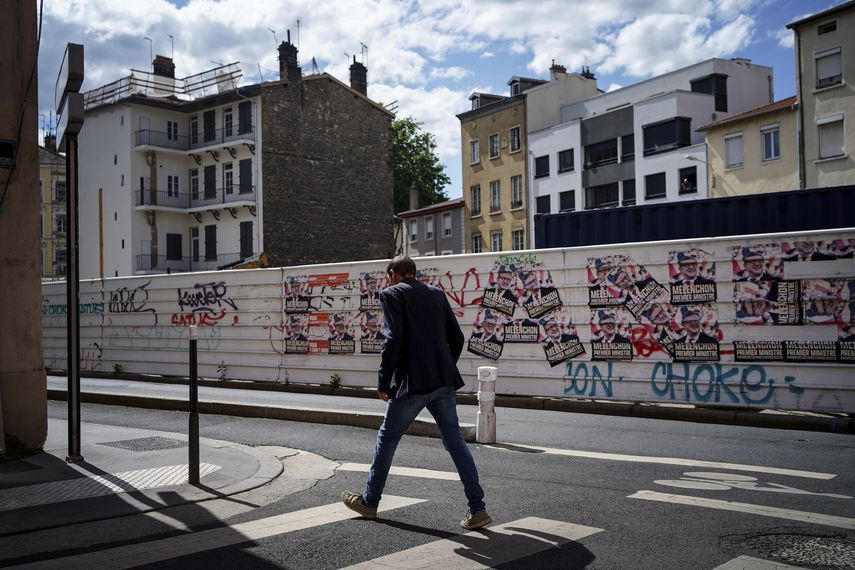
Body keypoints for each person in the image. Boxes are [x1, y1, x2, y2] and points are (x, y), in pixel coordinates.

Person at [341, 255, 491, 530]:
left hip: (412, 383)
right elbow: (457, 338)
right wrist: (443, 364)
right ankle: (477, 508)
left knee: (387, 439)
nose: (387, 281)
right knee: (454, 441)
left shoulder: (391, 294)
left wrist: (384, 382)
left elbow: (393, 339)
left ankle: (370, 502)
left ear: (394, 273)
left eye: (388, 276)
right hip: (443, 381)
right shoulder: (436, 294)